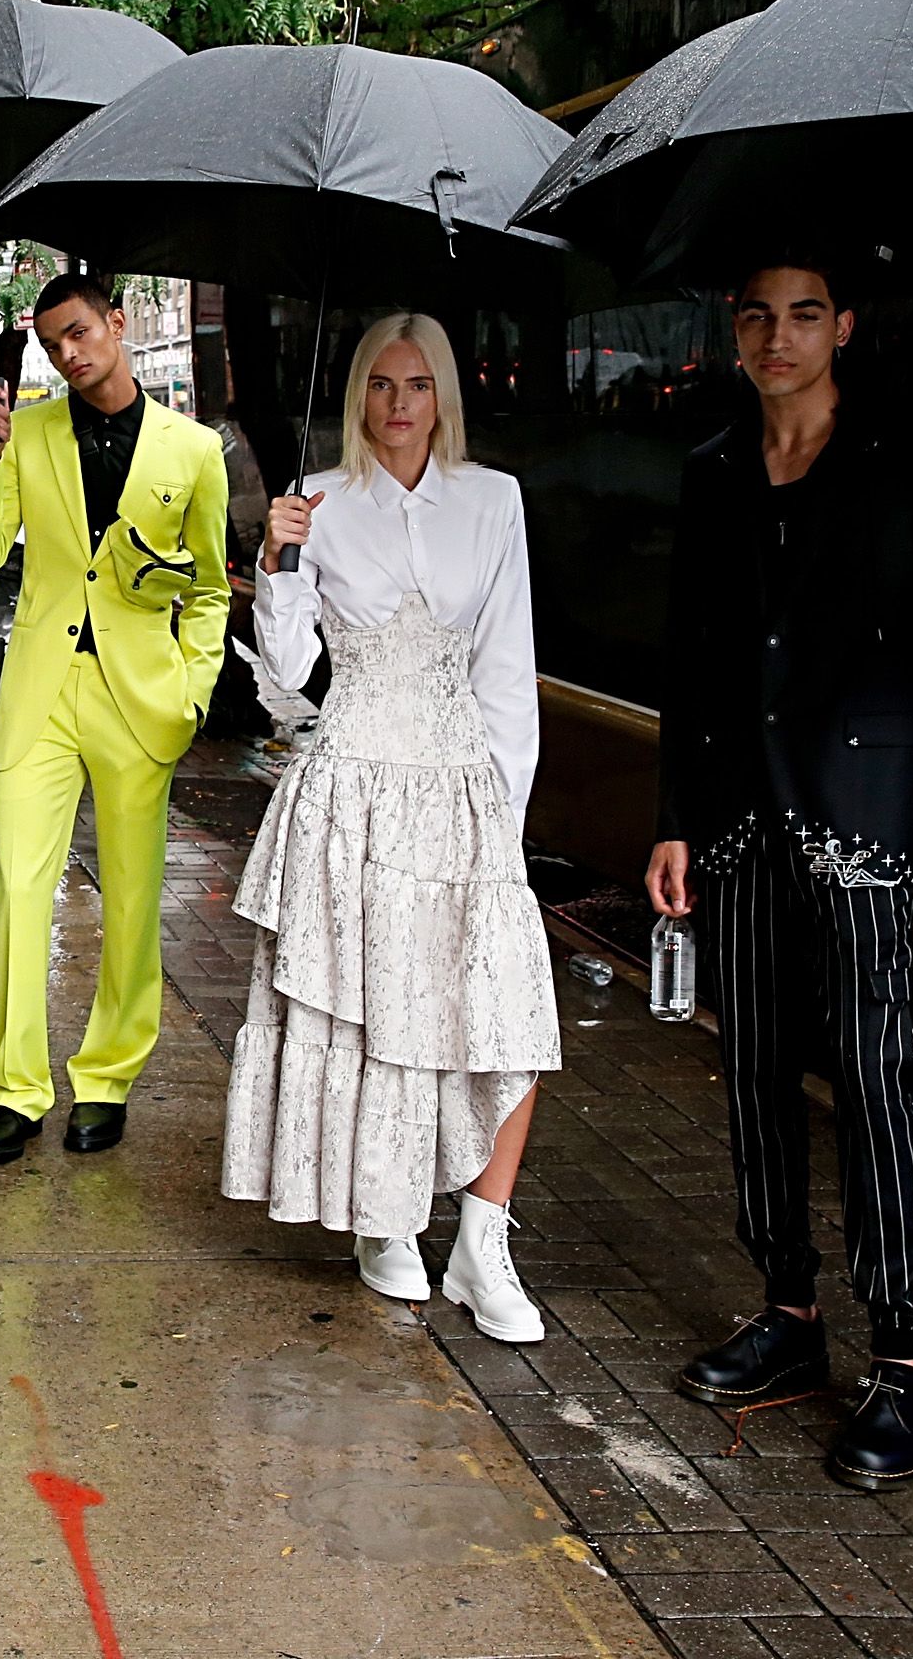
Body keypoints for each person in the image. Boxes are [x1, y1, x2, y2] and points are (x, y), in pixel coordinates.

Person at [647, 257, 913, 1492]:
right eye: (756, 315)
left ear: (842, 325)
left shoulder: (908, 462)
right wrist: (676, 815)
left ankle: (900, 1359)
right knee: (749, 1070)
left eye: (804, 313)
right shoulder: (713, 469)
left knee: (871, 1077)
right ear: (734, 333)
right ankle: (787, 1314)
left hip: (859, 817)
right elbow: (691, 658)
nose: (778, 335)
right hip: (740, 816)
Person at [219, 312, 560, 1343]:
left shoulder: (492, 500)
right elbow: (283, 683)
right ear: (360, 394)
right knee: (371, 1017)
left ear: (443, 396)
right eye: (381, 385)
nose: (399, 405)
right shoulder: (317, 503)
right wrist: (276, 564)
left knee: (502, 1010)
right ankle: (384, 1219)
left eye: (417, 385)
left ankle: (483, 1241)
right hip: (351, 790)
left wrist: (508, 811)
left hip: (461, 789)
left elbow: (508, 666)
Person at [0, 272, 230, 1164]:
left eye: (79, 333)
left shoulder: (192, 450)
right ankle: (17, 1090)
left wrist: (191, 690)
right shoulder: (27, 433)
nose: (68, 354)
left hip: (139, 699)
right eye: (51, 344)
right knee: (19, 893)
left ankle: (107, 1077)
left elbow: (212, 590)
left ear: (116, 323)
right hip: (41, 691)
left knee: (134, 899)